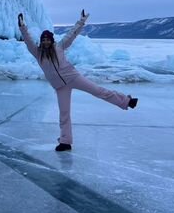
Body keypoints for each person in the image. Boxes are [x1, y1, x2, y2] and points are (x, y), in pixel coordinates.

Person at [18, 10, 138, 152]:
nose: (45, 41)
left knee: (99, 91)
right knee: (64, 113)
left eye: (47, 39)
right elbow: (28, 40)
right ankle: (65, 142)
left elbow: (72, 34)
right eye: (43, 39)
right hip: (60, 87)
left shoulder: (60, 46)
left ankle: (126, 101)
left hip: (73, 77)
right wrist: (22, 27)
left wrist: (81, 21)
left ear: (51, 40)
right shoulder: (37, 53)